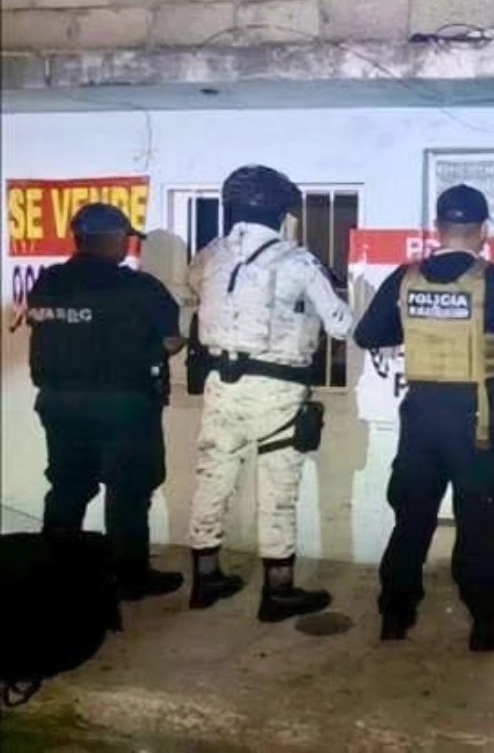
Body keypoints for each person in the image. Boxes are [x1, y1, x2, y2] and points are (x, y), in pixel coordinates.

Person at [354, 184, 494, 652]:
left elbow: (367, 335)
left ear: (438, 229)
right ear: (483, 231)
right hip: (478, 419)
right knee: (477, 522)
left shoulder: (406, 277)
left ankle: (394, 617)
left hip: (421, 417)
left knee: (411, 518)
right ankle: (485, 623)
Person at [186, 165, 353, 623]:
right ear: (281, 213)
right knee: (278, 488)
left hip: (221, 385)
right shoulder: (296, 261)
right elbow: (341, 324)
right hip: (277, 389)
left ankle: (205, 580)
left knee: (212, 478)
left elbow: (198, 290)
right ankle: (278, 591)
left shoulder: (210, 255)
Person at [27, 202, 185, 600]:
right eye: (127, 239)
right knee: (128, 491)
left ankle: (56, 574)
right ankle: (130, 578)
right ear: (115, 239)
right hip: (123, 406)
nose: (128, 246)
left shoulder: (48, 282)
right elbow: (170, 341)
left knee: (67, 487)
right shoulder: (139, 287)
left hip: (59, 403)